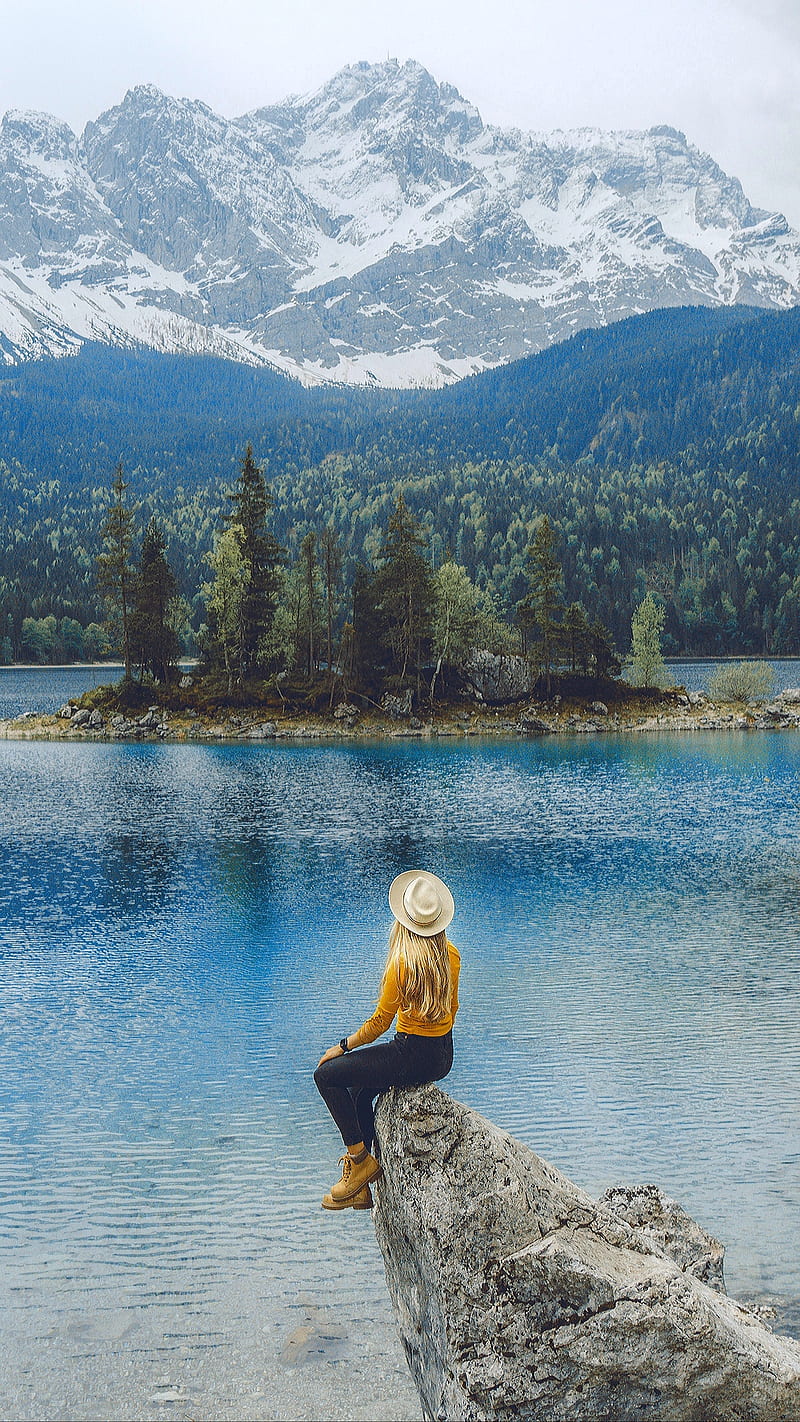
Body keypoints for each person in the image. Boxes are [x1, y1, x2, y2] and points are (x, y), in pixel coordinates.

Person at [314, 869, 460, 1211]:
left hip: (410, 1051)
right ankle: (361, 1188)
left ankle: (361, 1161)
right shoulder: (451, 955)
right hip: (442, 1055)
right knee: (358, 1093)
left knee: (326, 1077)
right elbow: (453, 1008)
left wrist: (343, 1046)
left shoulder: (402, 964)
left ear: (404, 922)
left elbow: (380, 1023)